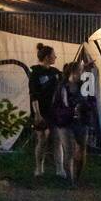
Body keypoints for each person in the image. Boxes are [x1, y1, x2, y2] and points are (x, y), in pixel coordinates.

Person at [29, 43, 65, 179]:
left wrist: (84, 67)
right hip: (40, 111)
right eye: (53, 55)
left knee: (57, 138)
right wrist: (37, 114)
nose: (55, 56)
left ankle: (60, 169)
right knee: (42, 139)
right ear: (46, 57)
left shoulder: (55, 73)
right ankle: (39, 168)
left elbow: (68, 75)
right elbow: (33, 94)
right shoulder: (35, 73)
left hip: (53, 111)